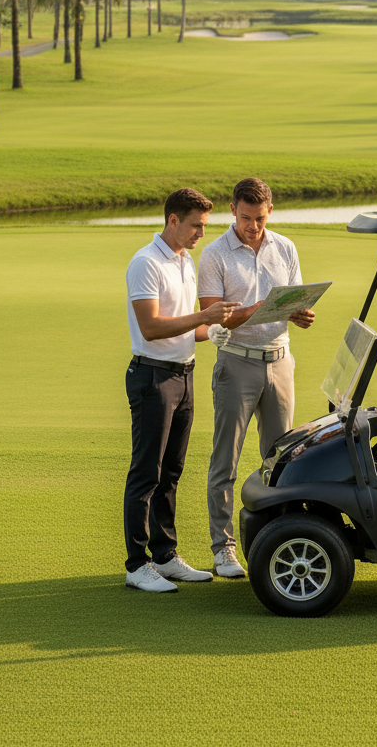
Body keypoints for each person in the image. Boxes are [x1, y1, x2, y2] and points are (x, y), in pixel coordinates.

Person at [198, 177, 315, 578]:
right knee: (224, 461)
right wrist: (261, 307)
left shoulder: (285, 247)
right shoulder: (214, 255)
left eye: (261, 218)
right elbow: (215, 315)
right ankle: (223, 549)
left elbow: (294, 301)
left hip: (281, 361)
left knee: (281, 461)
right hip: (236, 363)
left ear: (270, 211)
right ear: (233, 210)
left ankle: (275, 540)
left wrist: (300, 315)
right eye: (247, 218)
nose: (254, 227)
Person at [123, 187, 239, 593]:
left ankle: (165, 556)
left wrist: (215, 329)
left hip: (183, 375)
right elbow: (152, 328)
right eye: (195, 226)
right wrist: (203, 315)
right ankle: (137, 565)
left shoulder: (185, 261)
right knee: (146, 473)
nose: (200, 234)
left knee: (171, 471)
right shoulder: (145, 263)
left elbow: (191, 328)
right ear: (173, 220)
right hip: (152, 377)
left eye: (204, 227)